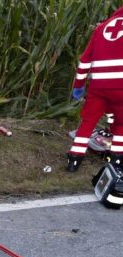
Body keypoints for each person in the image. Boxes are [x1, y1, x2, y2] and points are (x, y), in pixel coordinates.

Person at [67, 6, 123, 172]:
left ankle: (74, 159)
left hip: (98, 87)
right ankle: (116, 160)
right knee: (121, 123)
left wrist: (78, 85)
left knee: (88, 122)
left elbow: (84, 60)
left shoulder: (101, 27)